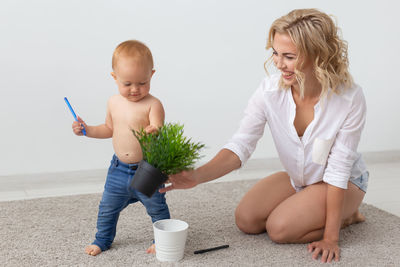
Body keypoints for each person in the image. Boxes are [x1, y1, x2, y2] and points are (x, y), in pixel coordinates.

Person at [160, 9, 368, 263]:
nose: (279, 64)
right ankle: (309, 203)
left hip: (342, 182)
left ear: (317, 55)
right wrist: (196, 176)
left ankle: (349, 214)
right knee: (246, 220)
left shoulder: (348, 98)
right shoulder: (269, 90)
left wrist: (331, 237)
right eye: (275, 54)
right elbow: (241, 145)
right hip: (300, 177)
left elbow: (337, 169)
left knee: (279, 229)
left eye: (289, 56)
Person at [72, 40, 170, 256]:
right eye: (127, 84)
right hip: (118, 169)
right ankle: (102, 240)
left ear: (152, 75)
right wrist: (86, 129)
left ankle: (162, 240)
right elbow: (108, 129)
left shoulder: (153, 104)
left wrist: (153, 129)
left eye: (142, 83)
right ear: (114, 77)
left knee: (157, 207)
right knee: (107, 208)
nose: (135, 89)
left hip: (146, 169)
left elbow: (158, 126)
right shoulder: (113, 102)